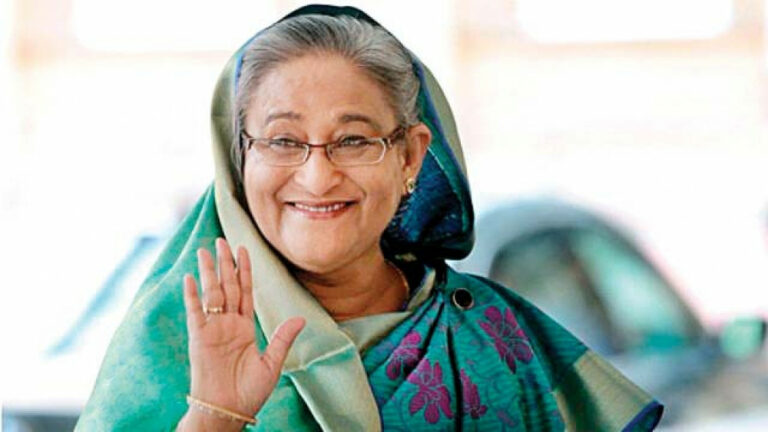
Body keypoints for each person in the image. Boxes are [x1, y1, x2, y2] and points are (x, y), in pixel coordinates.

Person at [76, 5, 663, 431]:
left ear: (409, 157)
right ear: (239, 161)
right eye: (283, 140)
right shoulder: (174, 342)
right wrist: (214, 417)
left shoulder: (494, 340)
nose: (317, 177)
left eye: (353, 140)